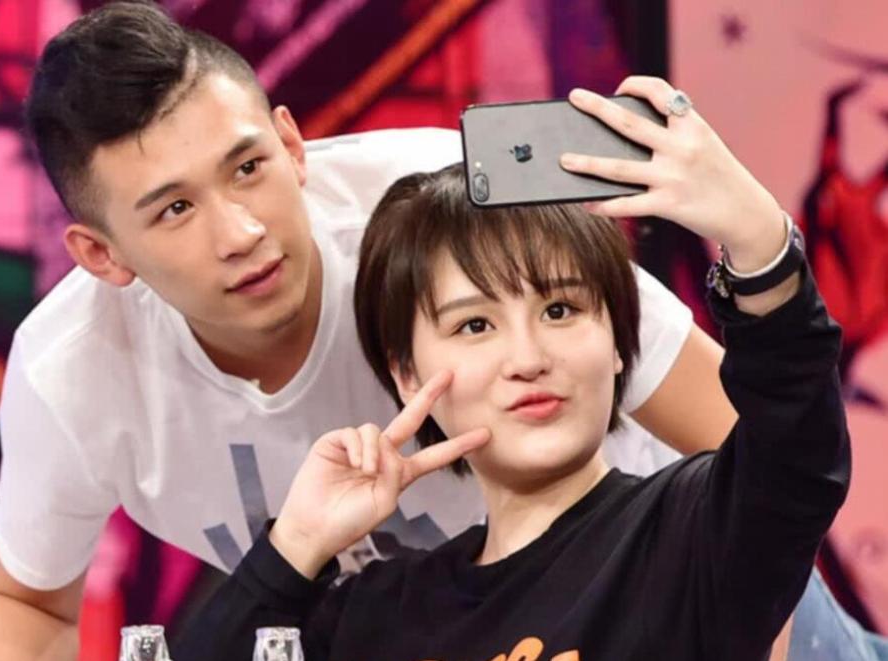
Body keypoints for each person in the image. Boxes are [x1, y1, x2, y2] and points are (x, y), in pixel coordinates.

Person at [0, 3, 841, 659]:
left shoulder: (449, 212)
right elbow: (24, 603)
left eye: (248, 167)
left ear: (292, 145)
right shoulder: (73, 374)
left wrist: (729, 611)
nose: (241, 231)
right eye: (175, 209)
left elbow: (761, 449)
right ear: (101, 253)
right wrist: (292, 551)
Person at [172, 78, 849, 661]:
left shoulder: (687, 532)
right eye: (474, 325)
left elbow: (796, 452)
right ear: (408, 376)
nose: (527, 359)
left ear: (620, 340)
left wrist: (759, 243)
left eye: (559, 310)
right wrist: (296, 544)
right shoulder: (380, 614)